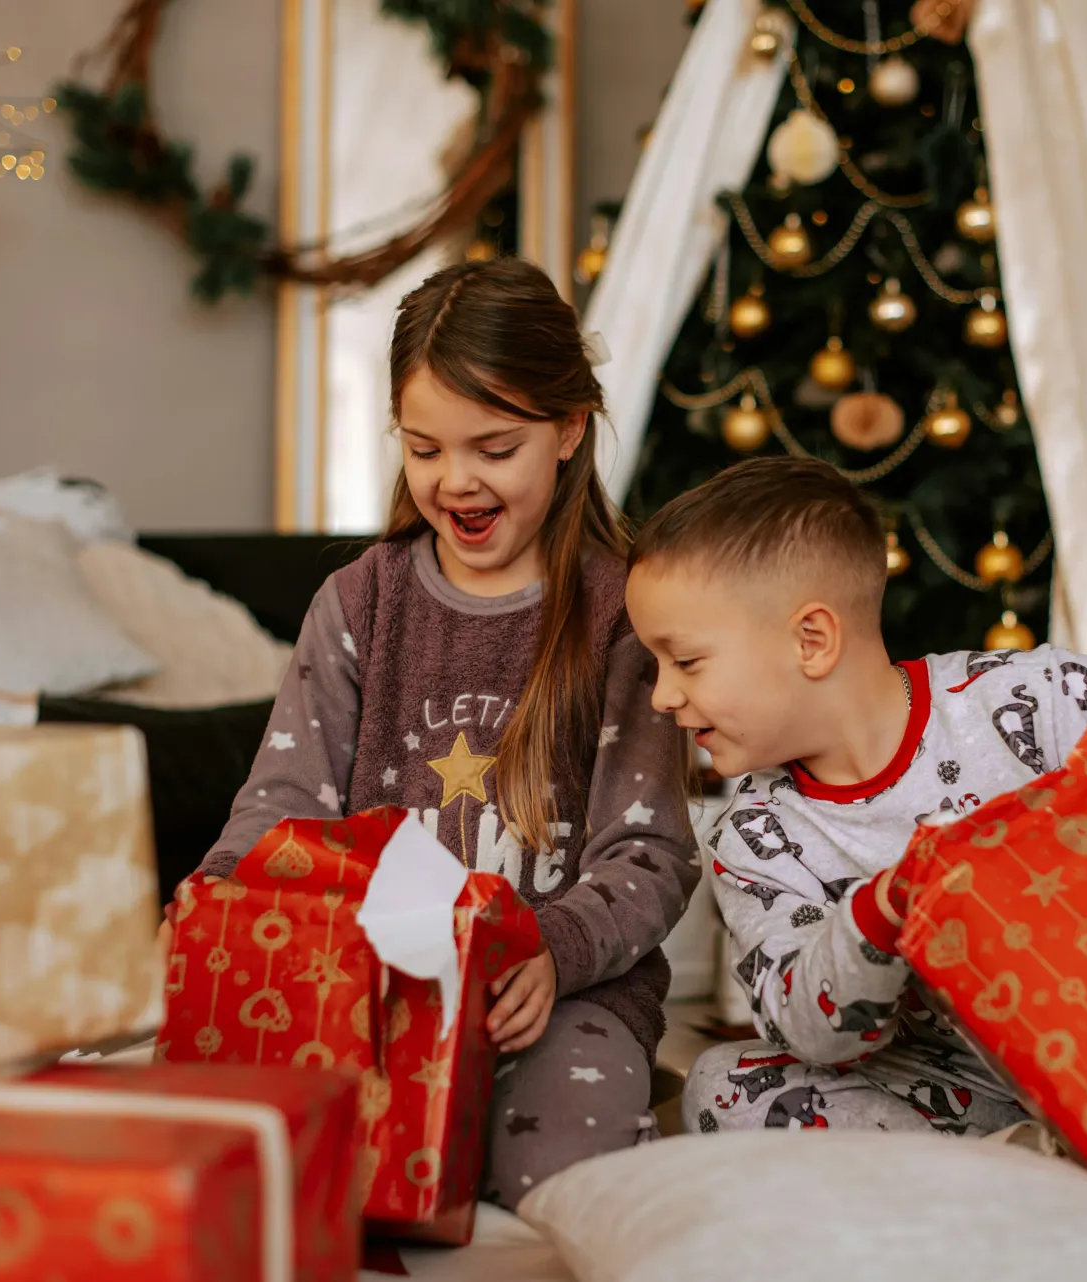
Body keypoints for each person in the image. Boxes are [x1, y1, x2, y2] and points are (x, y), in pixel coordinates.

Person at [166, 258, 699, 1207]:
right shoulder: (358, 602)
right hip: (366, 987)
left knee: (564, 1185)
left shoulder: (624, 613)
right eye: (424, 449)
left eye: (494, 449)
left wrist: (554, 949)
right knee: (281, 1170)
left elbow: (648, 853)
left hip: (559, 994)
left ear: (570, 429)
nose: (455, 481)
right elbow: (282, 811)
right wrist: (212, 907)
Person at [622, 457, 1087, 1137]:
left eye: (687, 662)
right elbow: (811, 1032)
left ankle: (1073, 1170)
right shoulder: (757, 837)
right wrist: (881, 911)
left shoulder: (1032, 697)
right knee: (725, 1087)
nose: (663, 696)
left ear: (811, 641)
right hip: (964, 1102)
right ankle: (1026, 1176)